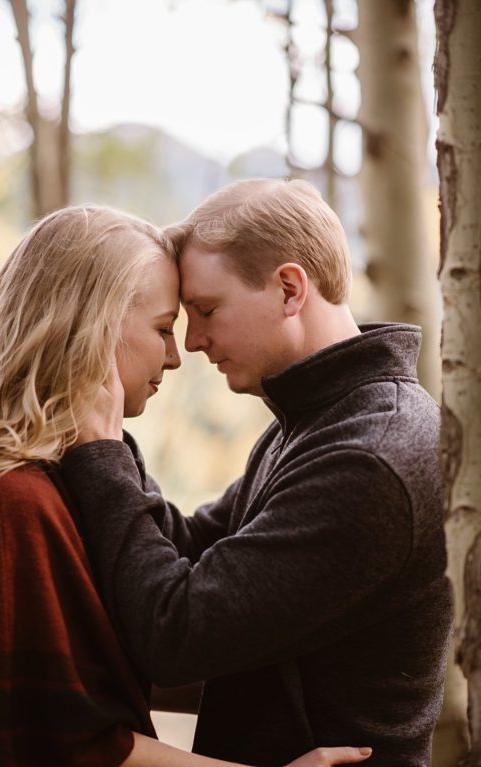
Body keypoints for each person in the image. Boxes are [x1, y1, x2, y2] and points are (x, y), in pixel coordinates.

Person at [61, 180, 451, 766]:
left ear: (290, 289)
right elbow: (189, 545)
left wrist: (102, 454)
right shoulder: (317, 421)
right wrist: (106, 434)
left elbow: (177, 634)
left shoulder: (371, 457)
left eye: (207, 310)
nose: (193, 342)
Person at [0, 204, 371, 767]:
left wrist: (105, 455)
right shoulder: (13, 500)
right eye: (164, 328)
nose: (179, 355)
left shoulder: (62, 479)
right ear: (93, 329)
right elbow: (65, 742)